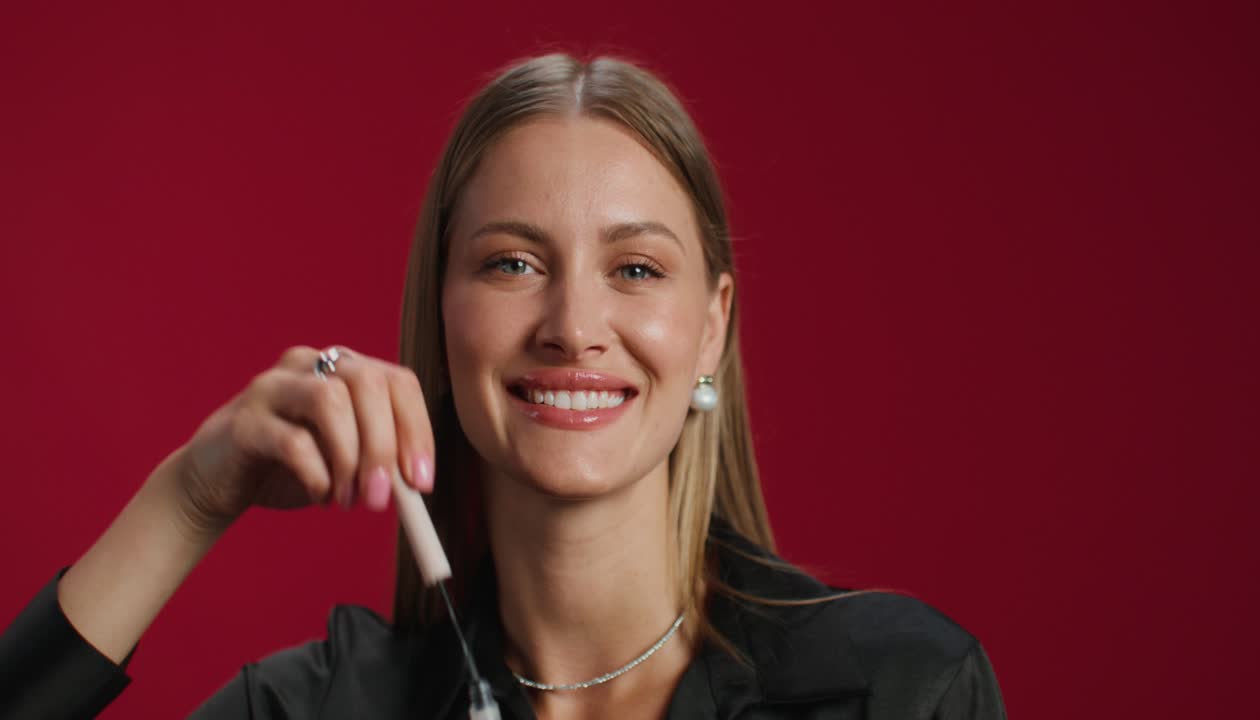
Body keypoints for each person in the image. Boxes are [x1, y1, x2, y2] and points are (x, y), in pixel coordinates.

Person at [0, 54, 1006, 719]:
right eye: (512, 264)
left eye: (636, 269)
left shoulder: (898, 689)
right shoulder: (319, 709)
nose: (571, 326)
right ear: (441, 316)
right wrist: (190, 497)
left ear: (711, 327)